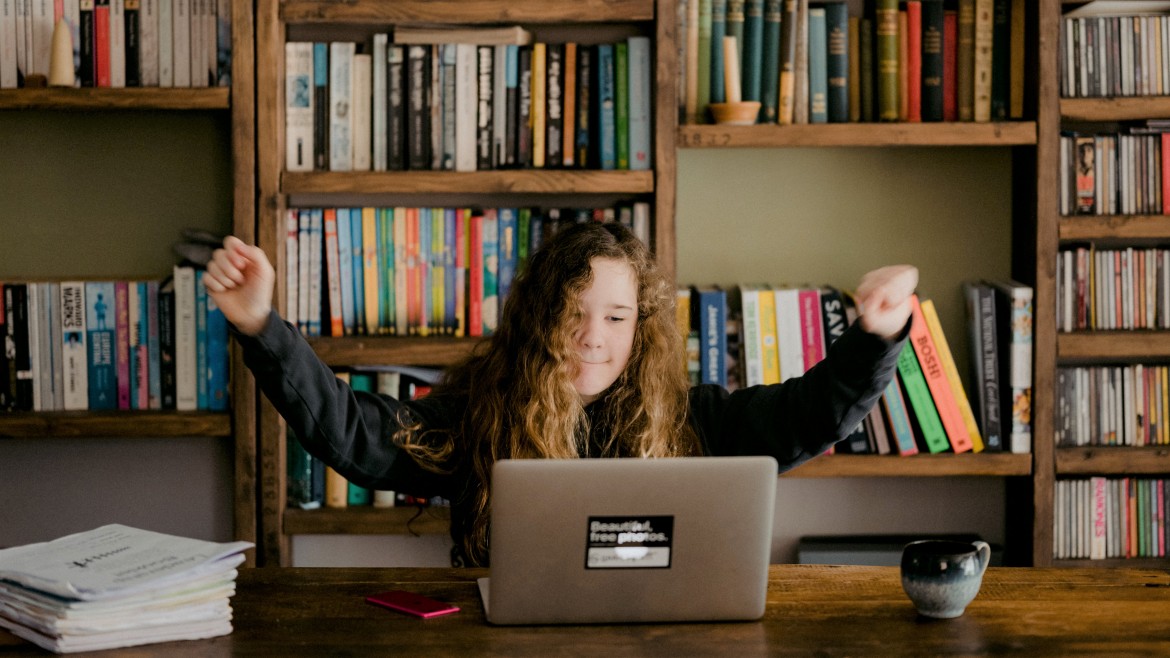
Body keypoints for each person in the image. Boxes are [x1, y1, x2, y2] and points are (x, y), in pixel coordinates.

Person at [205, 222, 918, 567]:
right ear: (539, 317)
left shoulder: (694, 420)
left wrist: (876, 337)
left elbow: (806, 417)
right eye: (571, 313)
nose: (591, 337)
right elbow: (355, 434)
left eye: (615, 317)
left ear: (640, 328)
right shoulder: (482, 417)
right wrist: (262, 327)